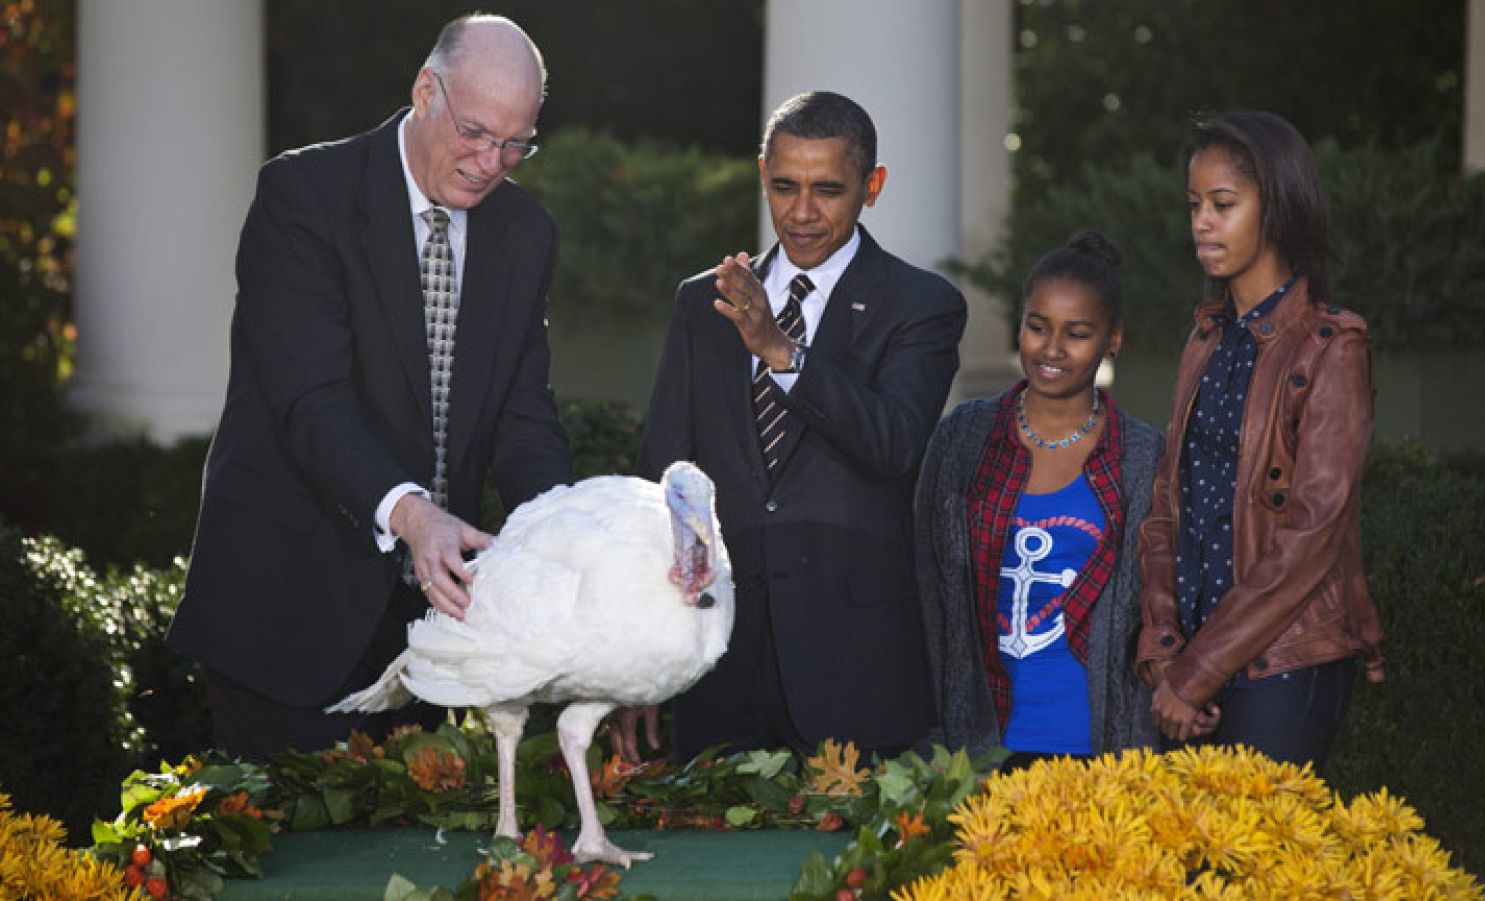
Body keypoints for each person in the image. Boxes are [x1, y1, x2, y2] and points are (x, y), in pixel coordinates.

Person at [168, 15, 573, 760]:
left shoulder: (525, 233)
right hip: (285, 610)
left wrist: (572, 542)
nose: (492, 162)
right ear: (425, 90)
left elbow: (524, 418)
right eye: (477, 132)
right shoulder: (303, 196)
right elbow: (309, 402)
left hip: (426, 641)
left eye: (516, 144)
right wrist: (416, 517)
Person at [621, 91, 967, 762]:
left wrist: (783, 353)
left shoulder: (923, 305)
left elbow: (894, 442)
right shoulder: (705, 301)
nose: (802, 211)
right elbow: (667, 481)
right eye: (784, 186)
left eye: (827, 190)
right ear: (762, 176)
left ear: (873, 186)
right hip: (718, 669)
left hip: (857, 674)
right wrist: (642, 649)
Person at [1136, 110, 1384, 770]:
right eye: (1194, 205)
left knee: (1260, 865)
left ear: (1277, 208)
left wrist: (1196, 671)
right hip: (1189, 658)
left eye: (1223, 204)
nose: (1201, 223)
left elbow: (1311, 534)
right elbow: (1167, 506)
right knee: (1181, 867)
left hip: (1284, 662)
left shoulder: (1333, 345)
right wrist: (1163, 645)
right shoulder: (1205, 339)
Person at [915, 231, 1162, 766]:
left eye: (1076, 334)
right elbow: (929, 590)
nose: (1051, 349)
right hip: (981, 745)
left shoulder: (1143, 458)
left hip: (1103, 746)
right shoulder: (963, 439)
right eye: (1037, 327)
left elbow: (1162, 609)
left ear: (1112, 340)